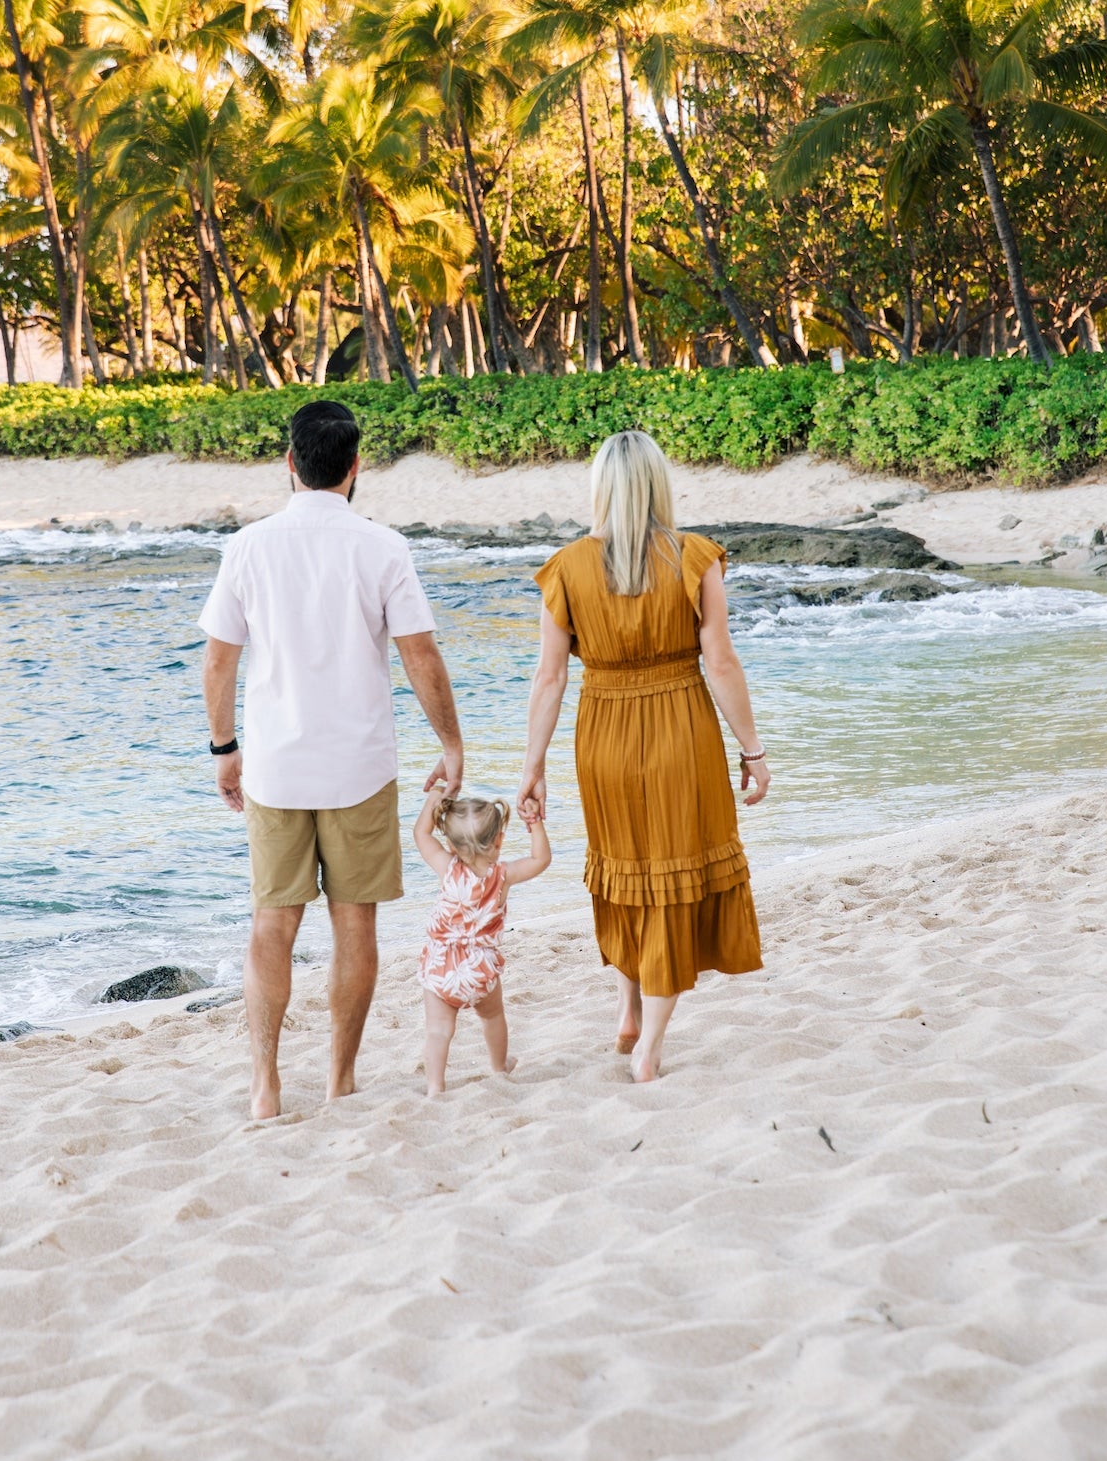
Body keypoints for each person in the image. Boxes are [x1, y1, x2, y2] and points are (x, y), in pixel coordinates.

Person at [201, 399, 463, 1120]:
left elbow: (218, 663)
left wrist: (225, 750)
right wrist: (450, 742)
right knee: (355, 925)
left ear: (289, 463)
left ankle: (265, 1085)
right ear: (354, 468)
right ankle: (341, 1078)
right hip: (360, 769)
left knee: (271, 925)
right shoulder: (382, 548)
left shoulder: (247, 547)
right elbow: (420, 656)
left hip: (276, 771)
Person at [517, 429, 767, 1084]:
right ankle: (649, 1045)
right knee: (673, 876)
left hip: (600, 735)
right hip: (680, 728)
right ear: (660, 485)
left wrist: (532, 768)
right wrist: (752, 750)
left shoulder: (566, 566)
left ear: (599, 488)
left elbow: (548, 678)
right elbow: (719, 661)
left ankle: (628, 1010)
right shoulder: (694, 558)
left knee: (625, 868)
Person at [413, 790, 550, 1098]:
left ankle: (435, 1085)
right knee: (492, 1016)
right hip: (480, 968)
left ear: (450, 845)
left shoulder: (447, 868)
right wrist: (535, 823)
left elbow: (420, 834)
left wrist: (434, 798)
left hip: (440, 967)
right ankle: (500, 1066)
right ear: (499, 841)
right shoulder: (502, 876)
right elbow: (541, 860)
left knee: (439, 1030)